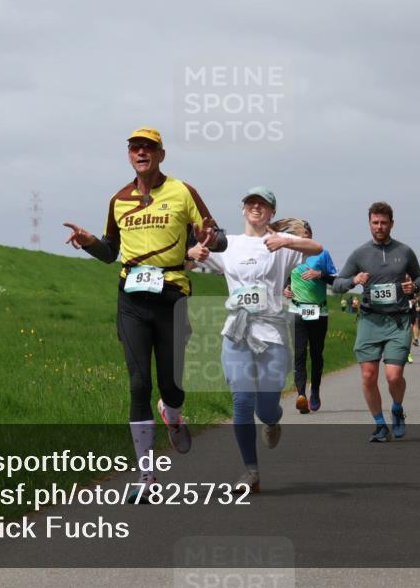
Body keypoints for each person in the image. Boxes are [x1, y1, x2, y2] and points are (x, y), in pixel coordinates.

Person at [63, 127, 227, 502]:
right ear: (129, 156)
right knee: (138, 384)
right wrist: (90, 243)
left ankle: (173, 413)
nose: (141, 153)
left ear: (161, 155)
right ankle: (146, 475)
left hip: (173, 296)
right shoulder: (118, 200)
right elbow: (109, 251)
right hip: (132, 299)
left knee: (172, 386)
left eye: (148, 148)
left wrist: (209, 240)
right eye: (135, 148)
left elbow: (217, 237)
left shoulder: (183, 191)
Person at [189, 188, 322, 493]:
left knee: (266, 408)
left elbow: (316, 247)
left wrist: (286, 239)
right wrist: (191, 253)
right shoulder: (229, 245)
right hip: (236, 331)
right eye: (251, 202)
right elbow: (190, 262)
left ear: (272, 212)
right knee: (241, 400)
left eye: (263, 204)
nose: (256, 207)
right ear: (243, 208)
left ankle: (273, 421)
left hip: (271, 333)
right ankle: (251, 471)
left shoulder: (280, 246)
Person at [333, 202, 420, 443]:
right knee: (368, 375)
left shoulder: (404, 251)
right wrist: (354, 280)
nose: (379, 227)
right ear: (369, 224)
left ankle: (396, 408)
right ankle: (379, 425)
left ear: (392, 224)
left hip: (397, 321)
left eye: (384, 222)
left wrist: (413, 286)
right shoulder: (360, 254)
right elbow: (337, 285)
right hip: (369, 320)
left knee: (394, 376)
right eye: (375, 222)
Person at [276, 219, 336, 414]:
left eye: (306, 232)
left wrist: (320, 274)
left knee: (316, 354)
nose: (304, 235)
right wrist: (286, 288)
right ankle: (301, 395)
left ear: (311, 234)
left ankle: (315, 391)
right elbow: (285, 278)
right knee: (299, 354)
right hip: (297, 311)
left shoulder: (322, 253)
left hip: (319, 311)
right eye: (300, 233)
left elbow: (335, 280)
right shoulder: (290, 255)